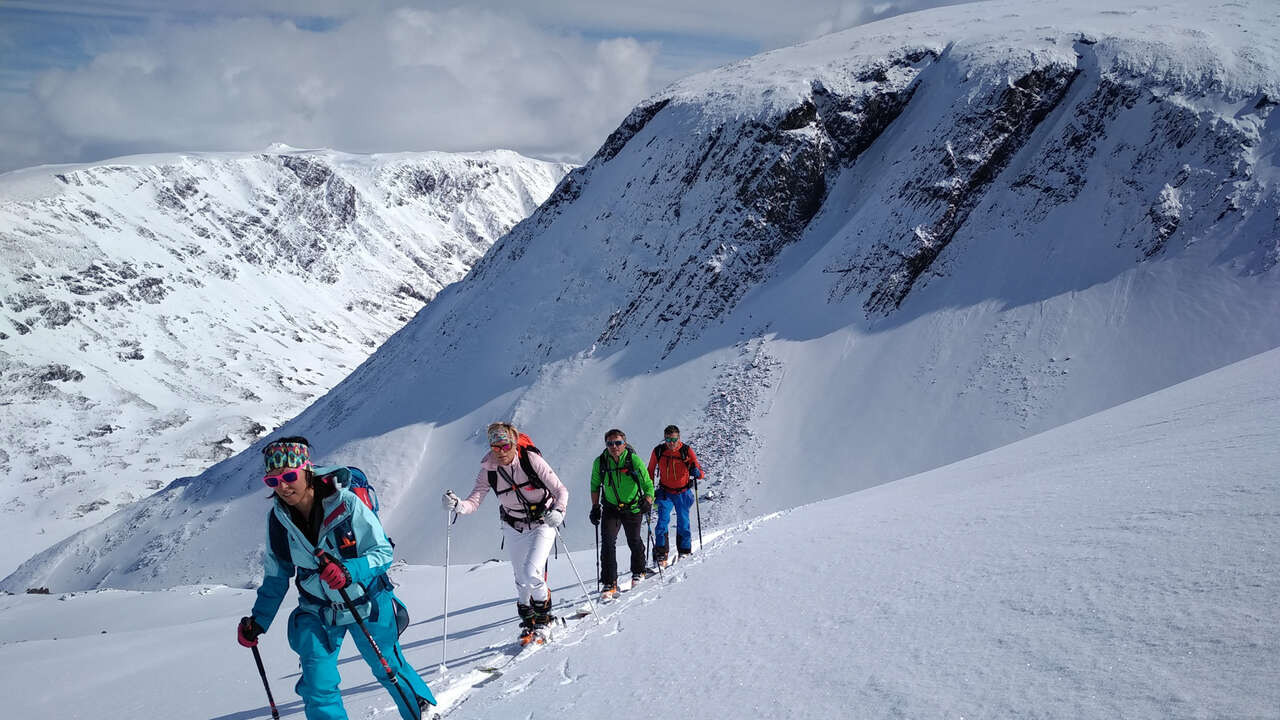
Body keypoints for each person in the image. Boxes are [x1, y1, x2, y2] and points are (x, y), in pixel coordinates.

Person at [236, 436, 435, 720]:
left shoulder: (347, 504)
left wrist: (349, 570)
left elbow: (382, 553)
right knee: (317, 684)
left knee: (388, 667)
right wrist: (258, 621)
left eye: (289, 476)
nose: (282, 486)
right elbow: (276, 577)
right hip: (318, 610)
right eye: (273, 480)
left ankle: (419, 712)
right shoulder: (278, 521)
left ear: (307, 471)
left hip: (366, 601)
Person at [442, 422, 569, 644]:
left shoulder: (531, 461)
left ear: (514, 443)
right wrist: (457, 506)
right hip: (513, 526)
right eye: (495, 446)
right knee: (520, 580)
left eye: (505, 445)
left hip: (543, 522)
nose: (500, 451)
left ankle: (544, 619)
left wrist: (559, 511)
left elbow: (560, 490)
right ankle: (528, 622)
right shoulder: (488, 471)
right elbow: (474, 501)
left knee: (532, 573)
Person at [589, 428, 655, 599]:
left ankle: (638, 571)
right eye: (610, 443)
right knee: (608, 543)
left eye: (618, 443)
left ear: (624, 444)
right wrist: (595, 507)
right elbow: (595, 485)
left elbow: (647, 483)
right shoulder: (600, 462)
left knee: (634, 540)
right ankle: (609, 582)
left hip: (633, 507)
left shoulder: (633, 461)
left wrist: (648, 500)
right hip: (611, 508)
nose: (614, 446)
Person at [647, 424, 705, 567]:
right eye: (668, 440)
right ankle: (661, 553)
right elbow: (650, 470)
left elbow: (700, 473)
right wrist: (648, 489)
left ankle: (684, 551)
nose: (671, 443)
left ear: (679, 438)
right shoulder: (659, 451)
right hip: (665, 492)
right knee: (661, 523)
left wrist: (696, 472)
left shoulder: (686, 451)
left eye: (674, 440)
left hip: (682, 493)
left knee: (683, 523)